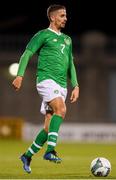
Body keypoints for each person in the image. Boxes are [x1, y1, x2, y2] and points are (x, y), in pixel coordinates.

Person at [12, 4, 79, 174]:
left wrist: (76, 85)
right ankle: (50, 151)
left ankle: (27, 155)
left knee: (48, 127)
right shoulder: (42, 35)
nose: (66, 18)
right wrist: (19, 75)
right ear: (53, 17)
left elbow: (70, 63)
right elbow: (26, 54)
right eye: (62, 15)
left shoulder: (68, 39)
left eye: (66, 15)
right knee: (61, 109)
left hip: (62, 84)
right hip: (46, 81)